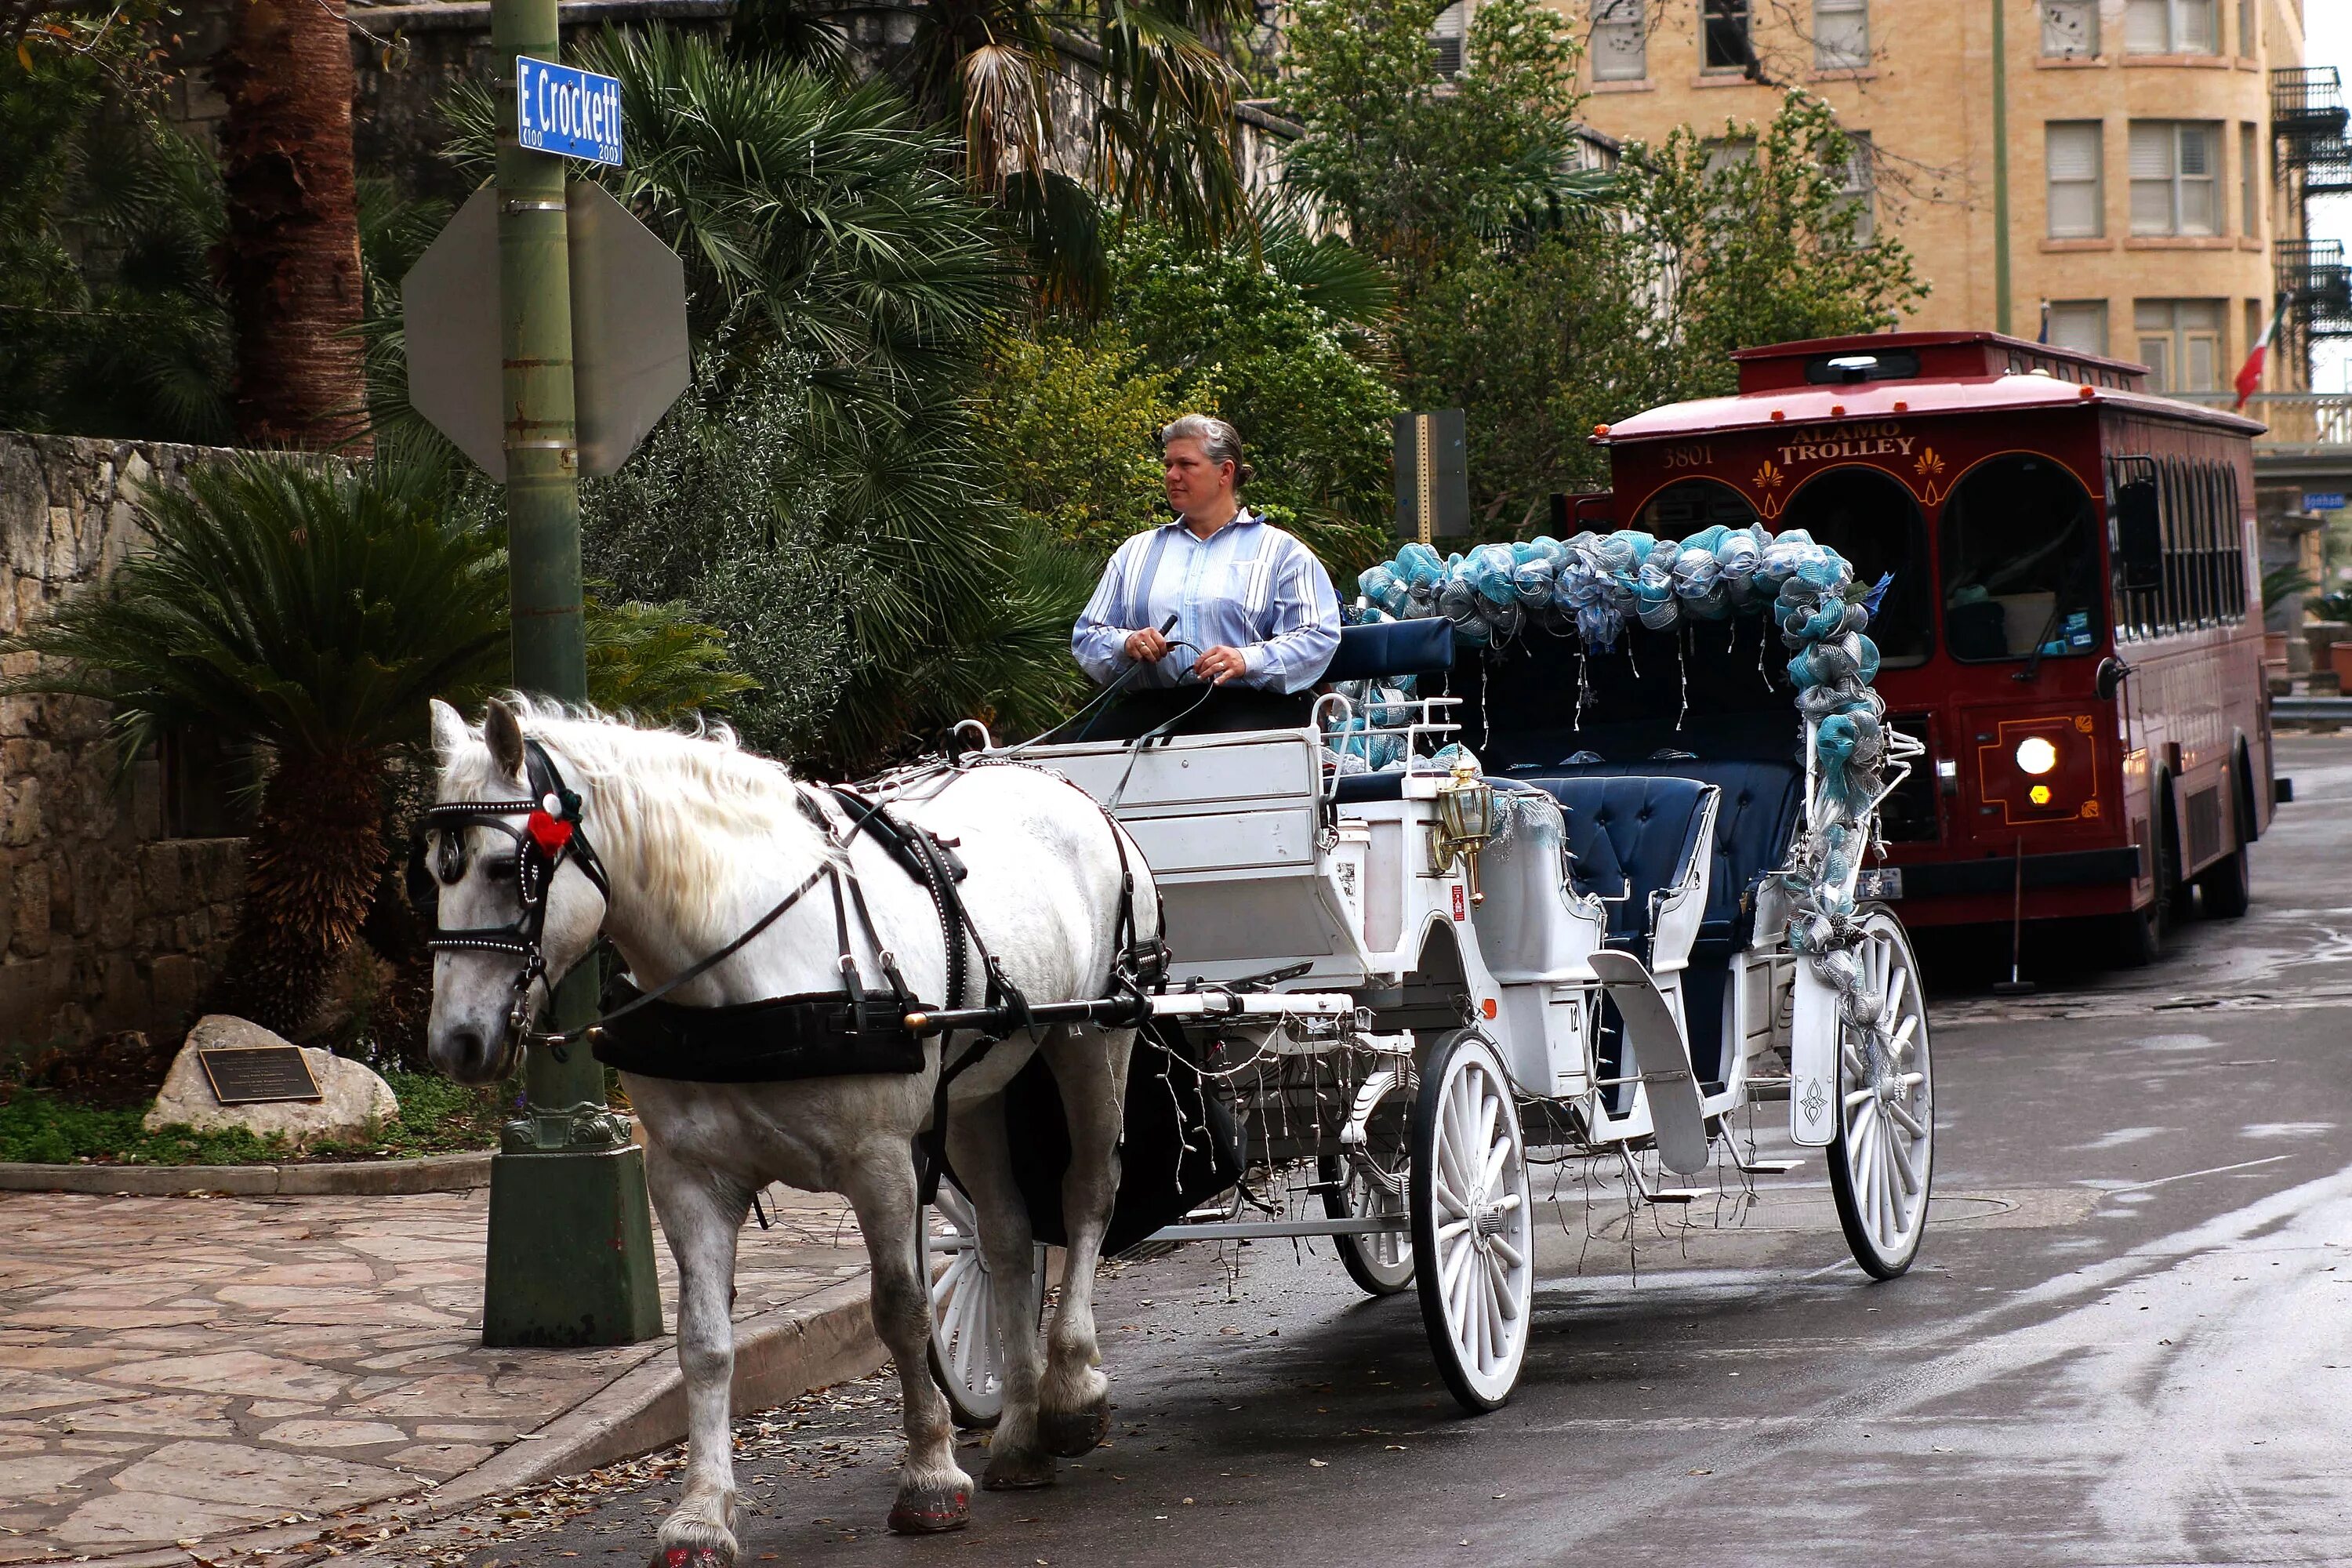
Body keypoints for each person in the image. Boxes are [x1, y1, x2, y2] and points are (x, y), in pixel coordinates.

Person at [1071, 415, 1341, 739]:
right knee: (1071, 753)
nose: (1172, 475)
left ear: (1225, 472)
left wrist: (1247, 658)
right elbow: (1088, 636)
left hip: (1258, 706)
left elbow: (1317, 637)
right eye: (1168, 464)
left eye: (1186, 464)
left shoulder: (1283, 552)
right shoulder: (1136, 552)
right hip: (1156, 706)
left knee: (1216, 758)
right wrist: (1126, 643)